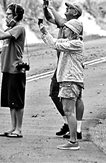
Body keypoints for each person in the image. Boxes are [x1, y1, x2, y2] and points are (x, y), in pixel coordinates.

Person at [39, 19, 84, 150]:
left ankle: (73, 141)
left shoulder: (76, 43)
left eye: (66, 28)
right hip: (68, 80)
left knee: (69, 111)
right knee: (68, 111)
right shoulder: (69, 42)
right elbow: (53, 42)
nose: (63, 29)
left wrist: (45, 32)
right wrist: (44, 33)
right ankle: (73, 139)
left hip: (70, 80)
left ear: (73, 31)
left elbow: (55, 44)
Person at [0, 3, 26, 138]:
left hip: (16, 70)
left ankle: (18, 129)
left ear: (16, 15)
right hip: (7, 69)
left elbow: (1, 35)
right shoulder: (11, 29)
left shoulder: (19, 28)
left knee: (17, 102)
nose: (6, 17)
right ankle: (13, 127)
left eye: (8, 14)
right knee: (11, 102)